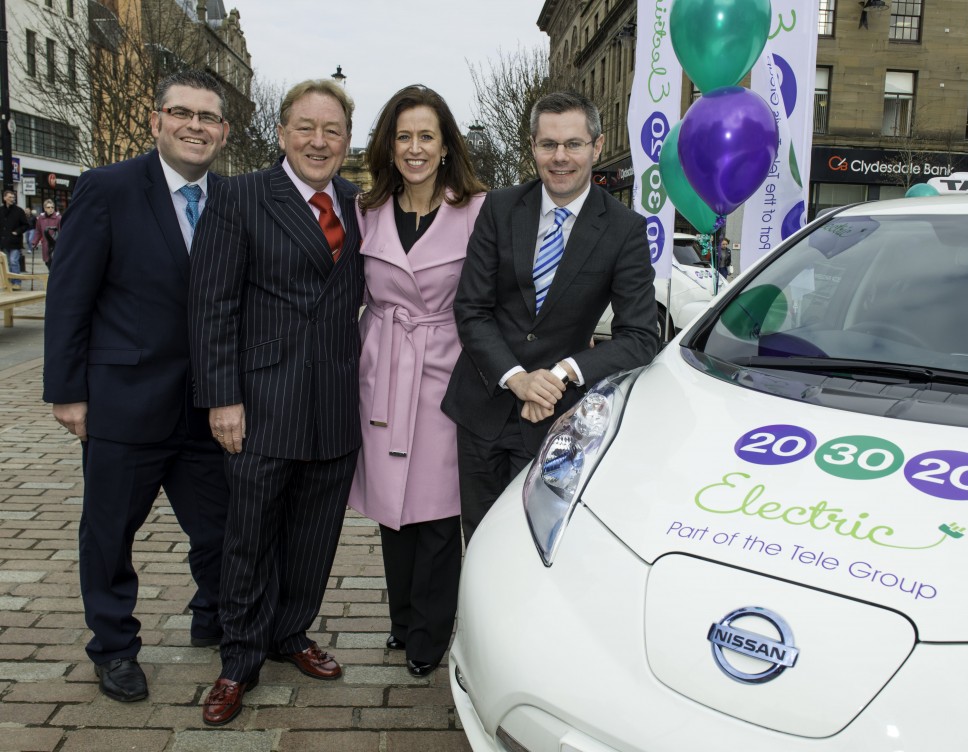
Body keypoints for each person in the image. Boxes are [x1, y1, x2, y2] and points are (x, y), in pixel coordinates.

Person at [42, 70, 232, 704]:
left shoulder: (233, 199)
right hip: (124, 401)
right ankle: (114, 645)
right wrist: (67, 392)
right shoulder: (107, 189)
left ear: (224, 132)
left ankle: (216, 617)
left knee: (222, 528)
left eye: (208, 117)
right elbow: (70, 297)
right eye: (182, 113)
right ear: (157, 121)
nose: (195, 126)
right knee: (109, 532)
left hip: (207, 405)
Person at [189, 79, 363, 727]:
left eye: (333, 130)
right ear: (283, 133)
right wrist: (221, 398)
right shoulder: (238, 198)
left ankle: (291, 633)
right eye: (306, 128)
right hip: (262, 402)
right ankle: (239, 659)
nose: (319, 141)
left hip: (336, 403)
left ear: (347, 138)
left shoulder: (357, 201)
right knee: (250, 537)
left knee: (315, 536)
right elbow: (212, 306)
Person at [441, 91, 660, 544]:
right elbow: (472, 309)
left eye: (574, 144)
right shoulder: (500, 209)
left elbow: (640, 336)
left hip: (554, 421)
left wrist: (562, 373)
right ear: (534, 147)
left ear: (596, 148)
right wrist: (516, 377)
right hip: (482, 408)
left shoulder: (624, 230)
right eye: (548, 145)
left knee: (534, 549)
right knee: (479, 543)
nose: (560, 157)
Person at [348, 85, 486, 678]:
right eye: (403, 136)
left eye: (426, 135)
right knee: (391, 506)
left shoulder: (477, 209)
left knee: (434, 510)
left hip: (445, 370)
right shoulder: (367, 208)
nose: (414, 147)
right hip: (381, 369)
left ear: (446, 144)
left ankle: (430, 634)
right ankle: (401, 621)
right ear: (388, 144)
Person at [1, 190, 32, 288]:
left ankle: (17, 283)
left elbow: (26, 225)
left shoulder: (19, 211)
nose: (12, 199)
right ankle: (9, 282)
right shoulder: (1, 210)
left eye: (13, 197)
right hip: (4, 241)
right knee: (7, 263)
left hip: (15, 241)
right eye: (10, 197)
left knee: (13, 261)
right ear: (4, 197)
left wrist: (17, 232)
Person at [33, 200, 61, 268]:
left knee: (55, 264)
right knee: (47, 263)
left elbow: (61, 231)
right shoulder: (41, 218)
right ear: (45, 208)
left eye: (52, 207)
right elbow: (38, 231)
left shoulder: (58, 218)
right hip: (45, 244)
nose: (51, 209)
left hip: (56, 245)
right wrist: (34, 242)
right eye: (48, 207)